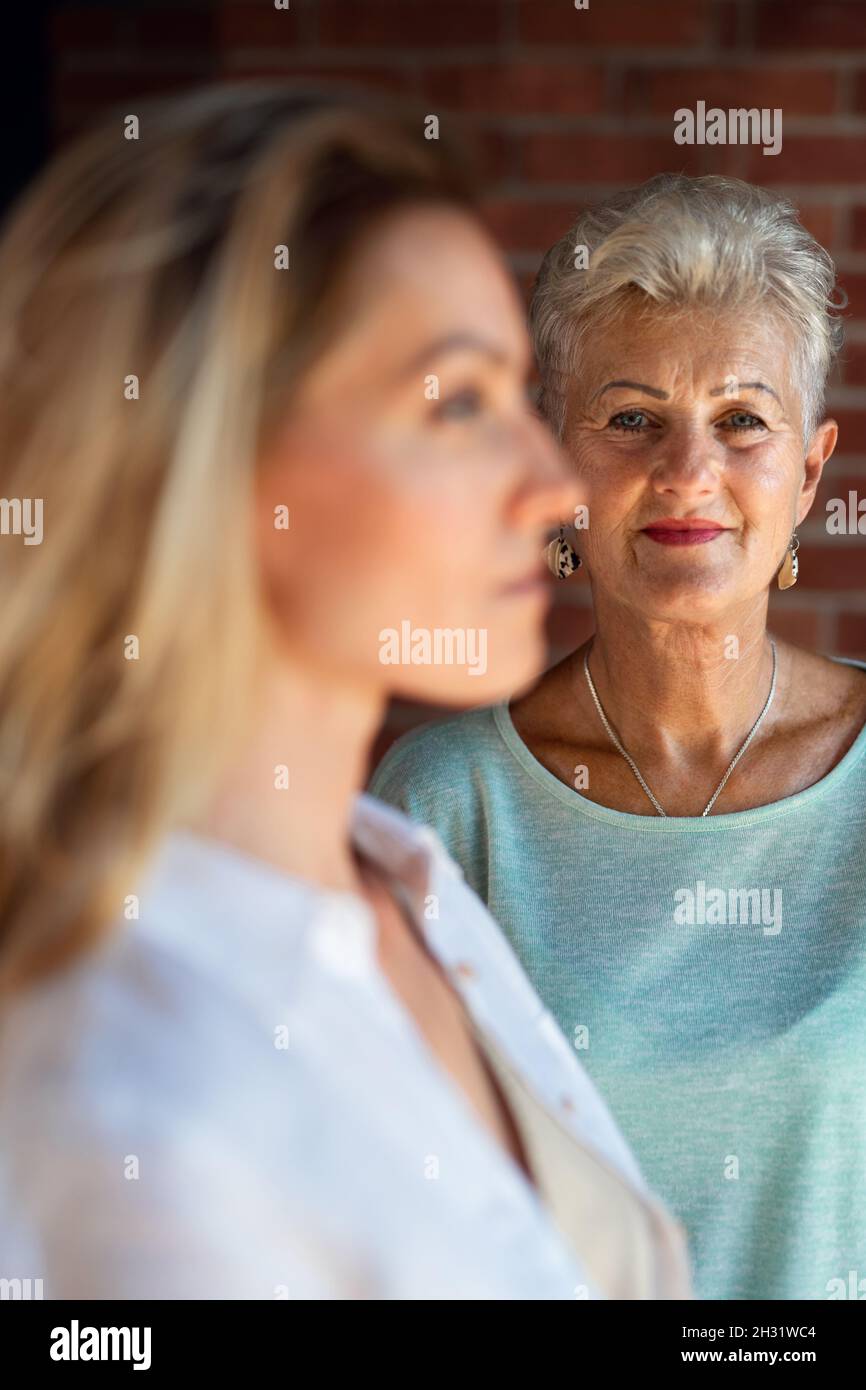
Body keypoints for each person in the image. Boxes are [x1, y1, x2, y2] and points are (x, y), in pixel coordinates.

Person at [0, 84, 691, 1299]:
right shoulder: (122, 1086)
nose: (556, 488)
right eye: (457, 401)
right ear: (201, 457)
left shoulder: (406, 882)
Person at [370, 172, 866, 1301]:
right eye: (631, 418)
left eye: (741, 420)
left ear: (808, 470)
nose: (687, 471)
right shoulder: (442, 809)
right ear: (557, 465)